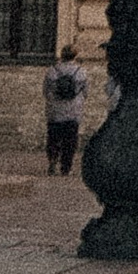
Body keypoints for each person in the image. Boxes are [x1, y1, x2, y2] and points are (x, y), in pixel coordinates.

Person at [43, 43, 89, 175]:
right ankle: (65, 167)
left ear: (62, 55)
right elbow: (85, 92)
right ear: (75, 55)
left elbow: (45, 90)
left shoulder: (52, 70)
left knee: (53, 137)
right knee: (70, 140)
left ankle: (52, 160)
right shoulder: (81, 71)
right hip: (73, 111)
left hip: (55, 110)